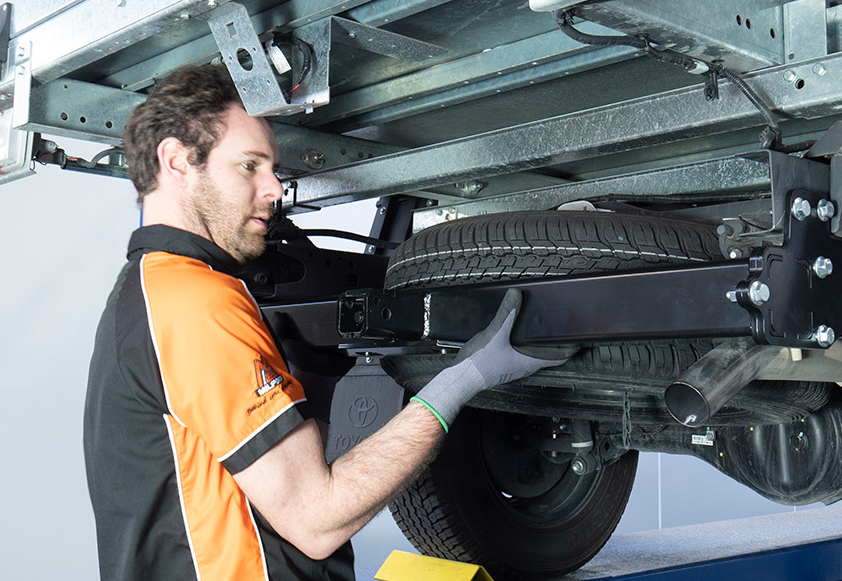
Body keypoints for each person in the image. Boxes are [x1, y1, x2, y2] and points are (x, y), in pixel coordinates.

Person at [83, 64, 574, 580]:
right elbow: (316, 519)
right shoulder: (193, 302)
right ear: (178, 161)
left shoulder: (152, 292)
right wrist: (462, 380)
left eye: (271, 167)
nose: (275, 187)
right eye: (249, 165)